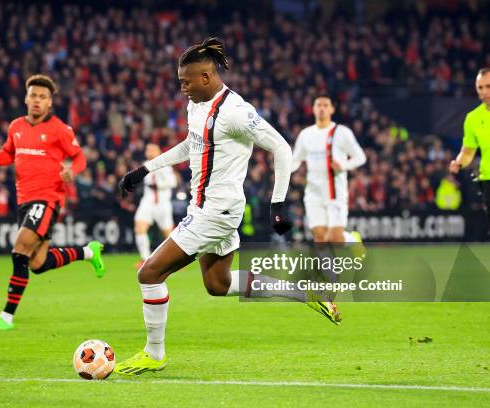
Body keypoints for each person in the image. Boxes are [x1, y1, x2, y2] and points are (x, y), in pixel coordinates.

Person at [114, 37, 340, 376]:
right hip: (206, 208)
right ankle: (306, 292)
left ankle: (154, 353)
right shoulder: (197, 105)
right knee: (217, 285)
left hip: (215, 213)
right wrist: (145, 169)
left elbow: (281, 148)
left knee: (149, 273)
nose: (182, 89)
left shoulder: (236, 113)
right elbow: (191, 145)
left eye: (186, 82)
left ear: (206, 77)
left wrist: (278, 202)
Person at [0, 74, 105, 331]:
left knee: (20, 250)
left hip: (47, 199)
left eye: (43, 97)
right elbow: (8, 154)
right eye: (34, 95)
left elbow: (80, 158)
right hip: (24, 200)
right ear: (26, 98)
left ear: (50, 102)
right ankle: (88, 252)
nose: (37, 101)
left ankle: (6, 317)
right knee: (37, 264)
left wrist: (72, 172)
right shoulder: (16, 126)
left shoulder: (60, 130)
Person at [291, 95, 366, 243]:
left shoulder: (342, 132)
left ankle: (352, 240)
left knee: (335, 238)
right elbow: (296, 160)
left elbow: (360, 157)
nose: (322, 108)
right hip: (313, 192)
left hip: (335, 192)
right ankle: (328, 267)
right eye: (318, 105)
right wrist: (286, 169)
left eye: (325, 105)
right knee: (319, 236)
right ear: (313, 109)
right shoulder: (306, 135)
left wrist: (343, 165)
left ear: (332, 109)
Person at [449, 68, 490, 233]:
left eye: (488, 86)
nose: (485, 92)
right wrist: (458, 162)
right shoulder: (472, 119)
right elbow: (468, 152)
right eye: (480, 88)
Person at [134, 143, 177, 267]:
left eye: (152, 149)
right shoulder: (145, 165)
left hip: (162, 203)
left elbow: (173, 182)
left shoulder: (164, 165)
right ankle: (145, 258)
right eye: (147, 149)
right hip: (147, 202)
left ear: (158, 151)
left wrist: (158, 186)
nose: (149, 152)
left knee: (168, 233)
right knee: (139, 227)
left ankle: (174, 260)